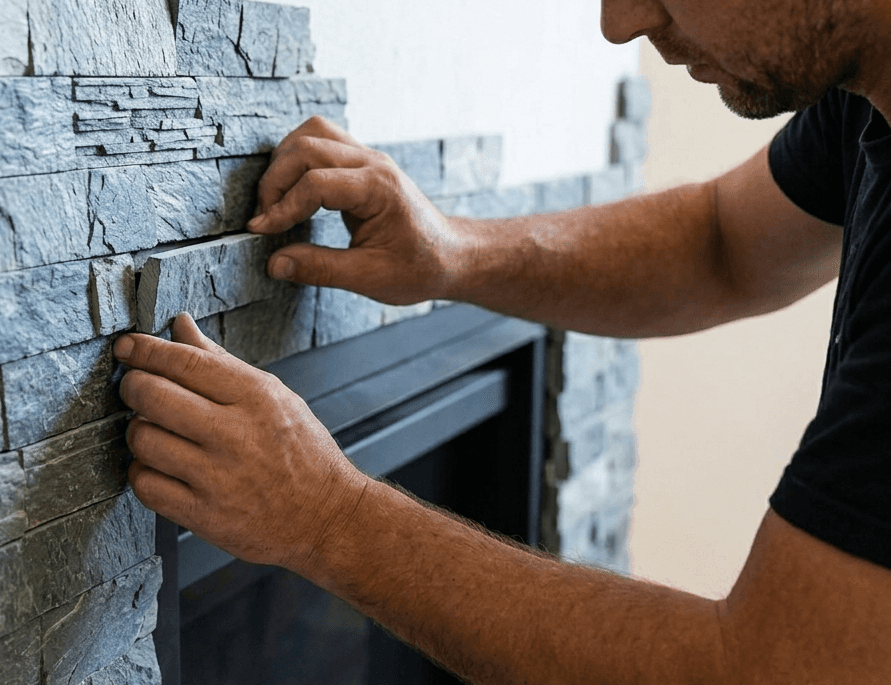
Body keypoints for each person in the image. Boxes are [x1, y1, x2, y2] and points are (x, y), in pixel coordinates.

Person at [113, 0, 891, 681]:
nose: (620, 22)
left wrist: (327, 517)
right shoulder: (869, 92)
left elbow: (766, 673)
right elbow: (720, 243)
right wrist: (454, 251)